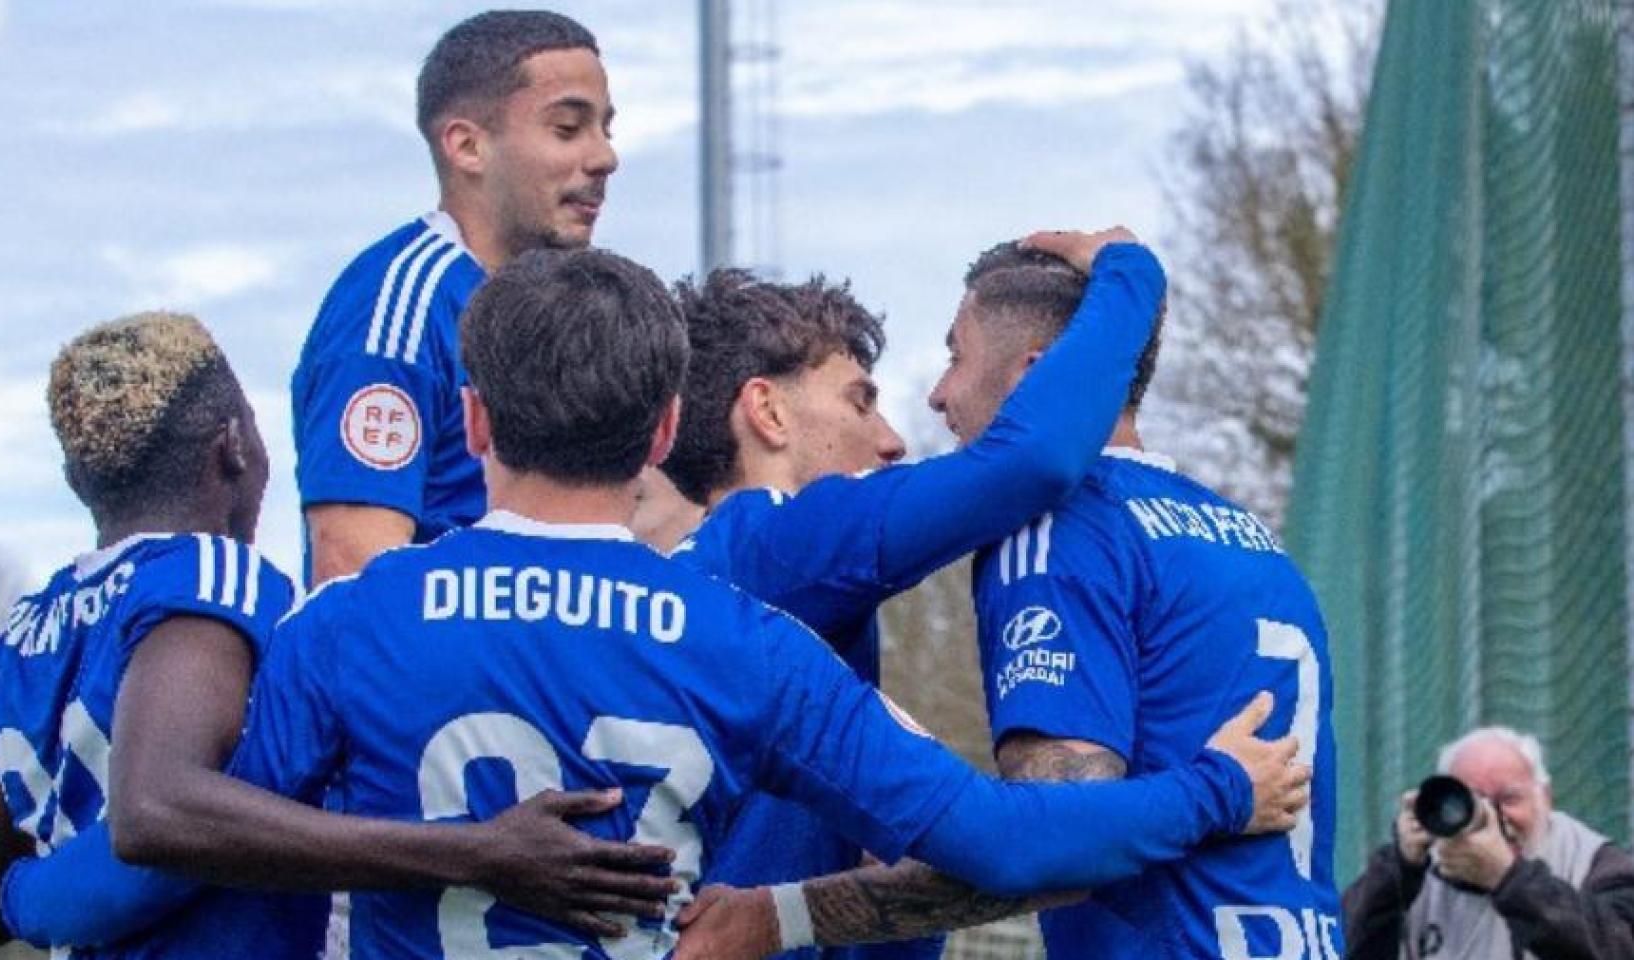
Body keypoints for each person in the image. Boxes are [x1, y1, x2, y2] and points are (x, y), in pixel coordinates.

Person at [101, 247, 1304, 959]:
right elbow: (1002, 836)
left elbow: (189, 846)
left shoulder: (344, 625)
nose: (900, 430)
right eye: (865, 399)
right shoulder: (740, 636)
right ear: (665, 425)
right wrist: (1213, 788)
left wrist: (27, 887)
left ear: (471, 422)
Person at [0, 312, 675, 957]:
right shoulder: (211, 575)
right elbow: (155, 811)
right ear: (234, 446)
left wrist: (33, 898)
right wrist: (475, 852)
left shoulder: (19, 640)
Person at [662, 227, 1177, 960]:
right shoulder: (768, 541)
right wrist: (1132, 274)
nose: (893, 438)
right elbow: (1032, 460)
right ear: (767, 412)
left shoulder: (731, 586)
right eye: (860, 401)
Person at [929, 240, 1342, 959]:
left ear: (1034, 376)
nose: (939, 393)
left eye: (955, 356)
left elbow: (1058, 831)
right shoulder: (1247, 536)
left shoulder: (1057, 524)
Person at [293, 9, 629, 586]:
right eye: (568, 128)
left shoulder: (566, 310)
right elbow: (350, 568)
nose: (605, 158)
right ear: (468, 147)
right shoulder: (399, 305)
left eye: (606, 128)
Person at [1342, 726, 1634, 959]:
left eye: (1509, 799)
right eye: (1473, 801)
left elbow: (1620, 947)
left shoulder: (1591, 860)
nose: (1493, 817)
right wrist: (1397, 871)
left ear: (1545, 798)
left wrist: (1509, 878)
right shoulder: (1420, 867)